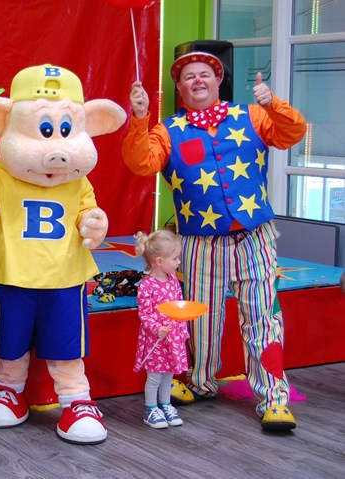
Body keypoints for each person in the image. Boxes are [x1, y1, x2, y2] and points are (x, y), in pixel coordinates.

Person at [122, 51, 307, 431]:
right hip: (199, 244)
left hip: (254, 238)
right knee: (201, 321)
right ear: (179, 86)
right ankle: (200, 382)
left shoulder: (251, 116)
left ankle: (274, 398)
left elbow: (293, 134)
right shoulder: (167, 130)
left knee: (262, 319)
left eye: (205, 74)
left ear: (218, 80)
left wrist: (274, 105)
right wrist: (140, 120)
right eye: (189, 76)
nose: (198, 81)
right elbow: (141, 163)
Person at [133, 229, 189, 429]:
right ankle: (150, 409)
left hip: (173, 337)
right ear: (158, 261)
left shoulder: (173, 279)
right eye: (174, 258)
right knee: (155, 376)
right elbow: (145, 314)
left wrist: (181, 327)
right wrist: (157, 329)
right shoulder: (146, 286)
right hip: (156, 340)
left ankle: (165, 405)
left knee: (168, 375)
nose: (178, 262)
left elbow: (178, 305)